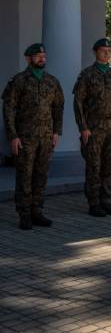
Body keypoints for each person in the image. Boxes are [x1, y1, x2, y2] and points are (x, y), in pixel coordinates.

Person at [2, 43, 64, 230]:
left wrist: (57, 132)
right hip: (25, 137)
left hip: (45, 137)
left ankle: (37, 211)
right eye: (37, 56)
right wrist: (13, 136)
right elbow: (9, 109)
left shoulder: (51, 81)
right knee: (24, 176)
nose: (42, 58)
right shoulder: (19, 81)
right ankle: (24, 214)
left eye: (43, 55)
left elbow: (58, 107)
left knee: (41, 175)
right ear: (28, 59)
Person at [73, 38, 111, 217]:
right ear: (95, 52)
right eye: (103, 50)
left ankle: (106, 199)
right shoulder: (87, 75)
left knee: (108, 164)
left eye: (109, 50)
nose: (107, 53)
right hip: (94, 127)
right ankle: (94, 202)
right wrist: (83, 127)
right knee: (94, 165)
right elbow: (78, 102)